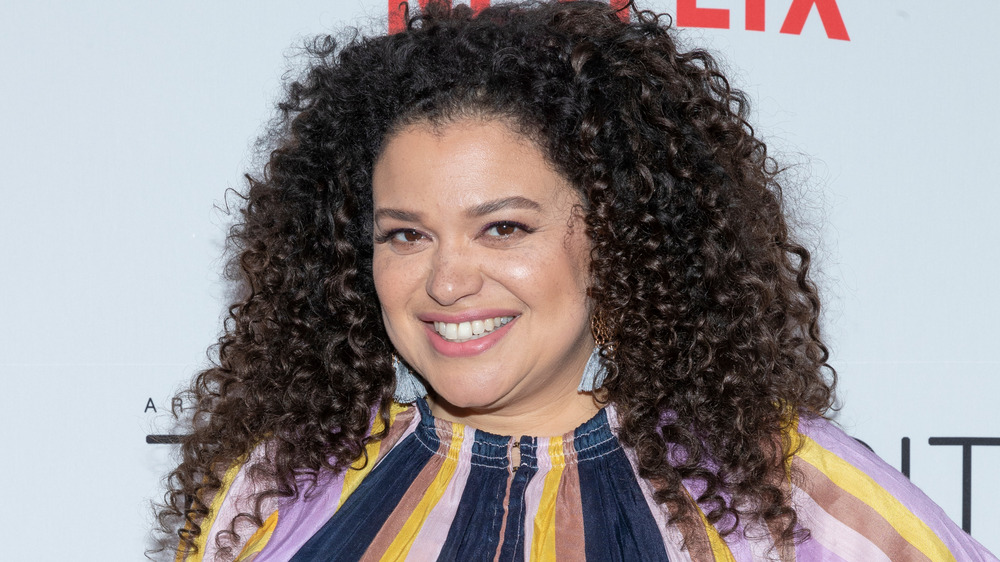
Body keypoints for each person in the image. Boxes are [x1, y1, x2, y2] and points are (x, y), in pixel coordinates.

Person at [154, 1, 997, 560]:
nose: (448, 280)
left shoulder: (779, 487)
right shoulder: (279, 485)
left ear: (616, 236)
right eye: (406, 235)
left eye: (504, 228)